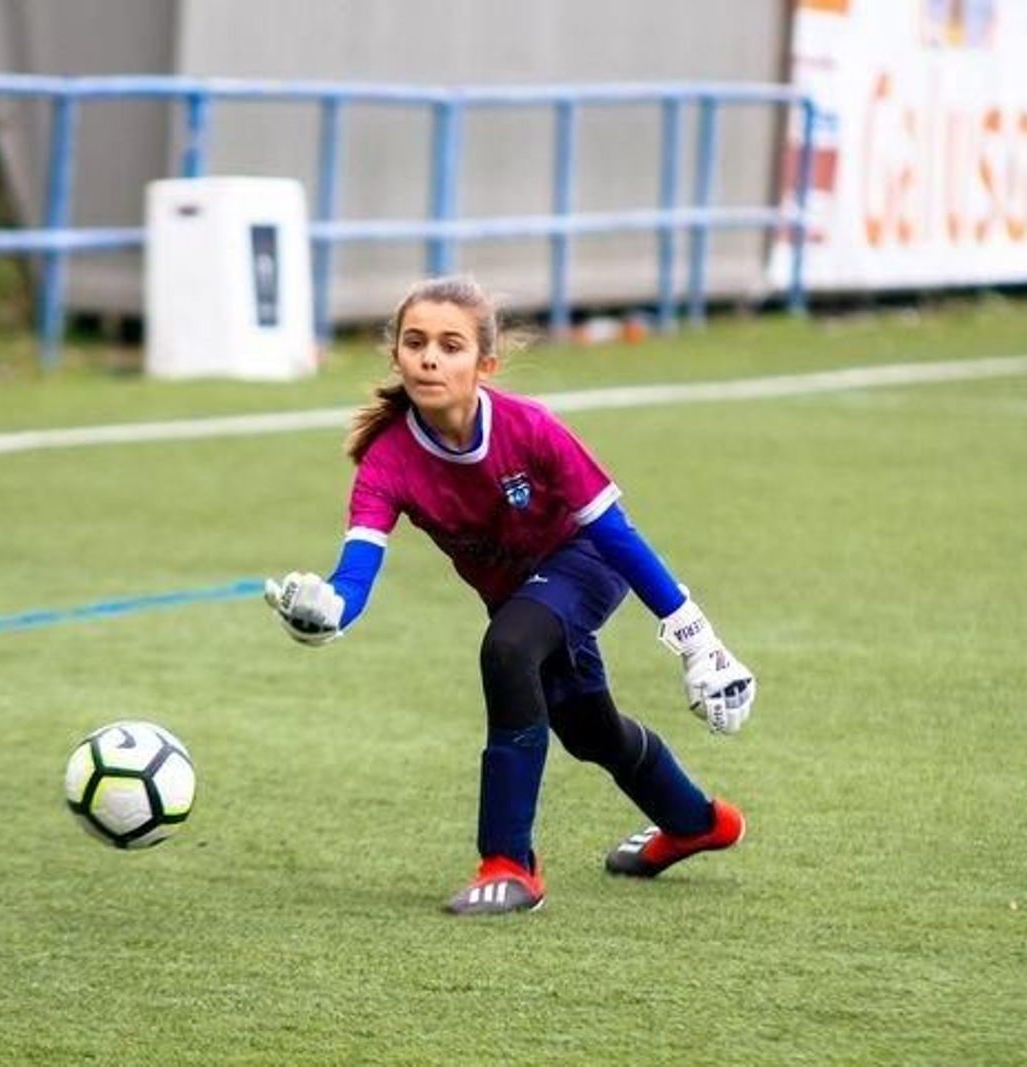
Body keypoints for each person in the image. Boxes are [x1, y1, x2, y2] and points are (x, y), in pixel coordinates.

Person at [264, 275, 756, 916]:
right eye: (415, 343)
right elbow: (356, 575)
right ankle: (697, 822)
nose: (430, 358)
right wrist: (327, 609)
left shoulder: (531, 429)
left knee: (508, 649)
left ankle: (509, 864)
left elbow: (618, 537)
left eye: (450, 345)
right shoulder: (387, 460)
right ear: (396, 356)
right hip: (523, 593)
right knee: (589, 731)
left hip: (584, 563)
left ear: (485, 364)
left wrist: (697, 640)